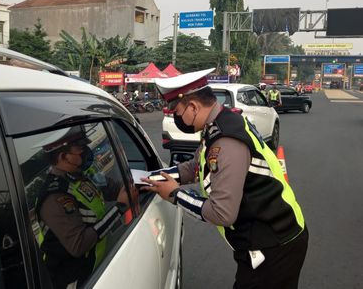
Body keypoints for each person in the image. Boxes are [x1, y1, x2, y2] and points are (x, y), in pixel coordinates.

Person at [144, 69, 308, 289]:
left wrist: (174, 194)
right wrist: (150, 179)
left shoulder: (226, 142)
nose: (176, 117)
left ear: (193, 107)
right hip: (272, 233)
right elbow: (196, 167)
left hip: (273, 244)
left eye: (177, 111)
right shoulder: (220, 123)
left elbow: (222, 213)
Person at [35, 126, 131, 289]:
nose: (87, 152)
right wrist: (120, 207)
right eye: (80, 150)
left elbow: (113, 188)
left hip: (99, 266)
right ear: (63, 157)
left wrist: (139, 185)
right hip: (76, 279)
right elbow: (78, 244)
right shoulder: (56, 196)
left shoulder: (83, 174)